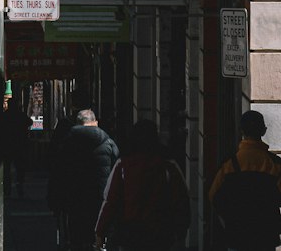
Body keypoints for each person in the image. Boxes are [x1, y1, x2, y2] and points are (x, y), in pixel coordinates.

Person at [94, 120, 188, 251]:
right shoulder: (168, 164)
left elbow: (110, 200)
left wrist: (100, 232)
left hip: (130, 233)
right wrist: (181, 232)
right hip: (160, 233)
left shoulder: (123, 165)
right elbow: (181, 199)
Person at [48, 107, 119, 251]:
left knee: (76, 238)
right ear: (96, 123)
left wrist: (54, 200)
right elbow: (116, 171)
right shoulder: (108, 142)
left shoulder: (67, 142)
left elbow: (57, 173)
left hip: (74, 198)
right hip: (99, 198)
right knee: (98, 236)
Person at [209, 109, 281, 251]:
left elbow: (213, 196)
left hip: (236, 234)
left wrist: (228, 219)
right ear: (264, 131)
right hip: (265, 236)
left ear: (241, 131)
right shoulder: (275, 164)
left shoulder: (229, 165)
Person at [2, 96, 33, 197]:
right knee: (20, 167)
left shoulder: (6, 115)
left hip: (7, 144)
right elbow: (29, 122)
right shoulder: (20, 115)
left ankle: (7, 189)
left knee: (7, 168)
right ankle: (19, 186)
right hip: (19, 144)